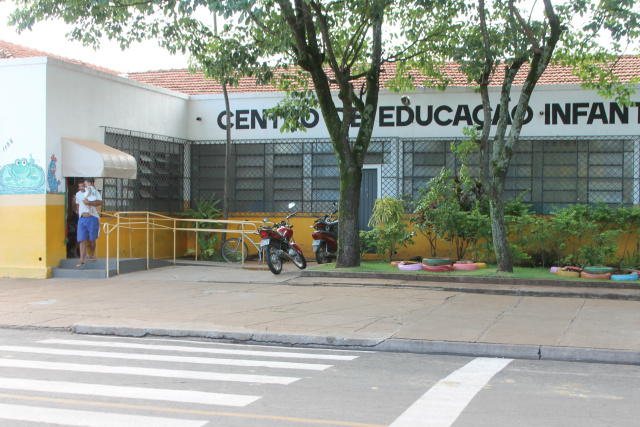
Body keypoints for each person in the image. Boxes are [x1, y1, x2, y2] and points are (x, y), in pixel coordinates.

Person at [76, 178, 102, 267]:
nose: (82, 187)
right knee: (81, 239)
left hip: (92, 218)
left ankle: (92, 254)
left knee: (92, 239)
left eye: (84, 185)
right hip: (82, 219)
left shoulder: (95, 192)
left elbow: (99, 202)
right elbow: (78, 205)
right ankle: (82, 259)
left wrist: (89, 202)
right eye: (81, 186)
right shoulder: (78, 194)